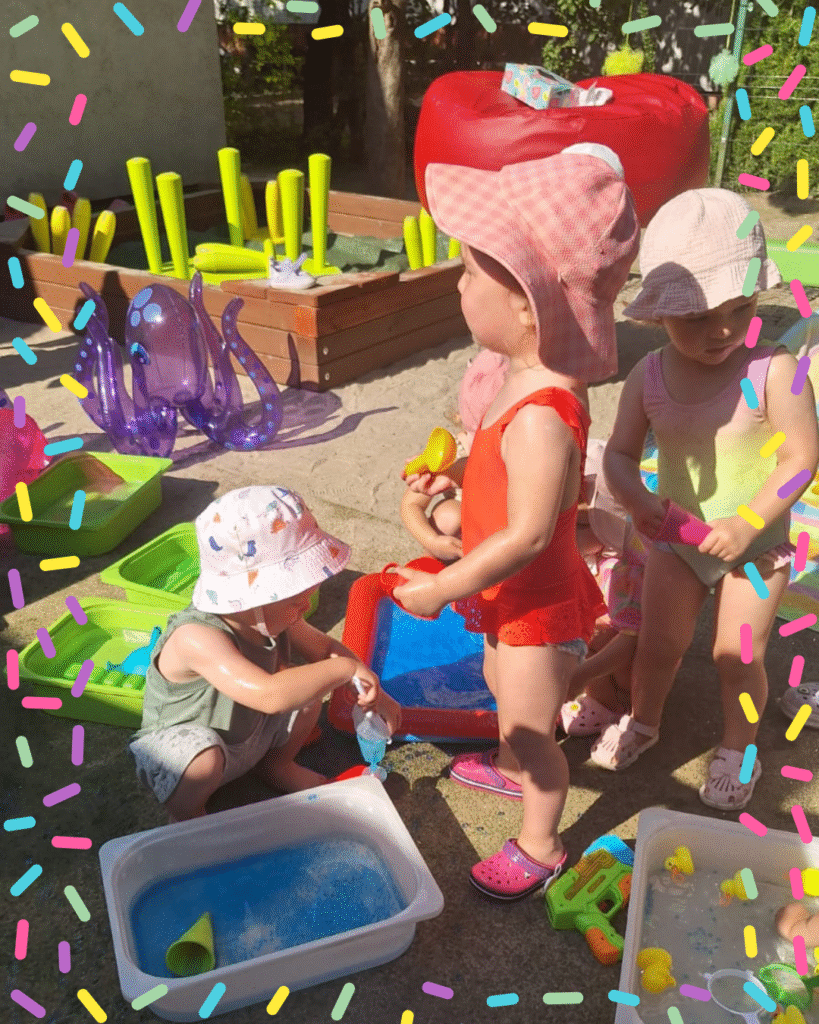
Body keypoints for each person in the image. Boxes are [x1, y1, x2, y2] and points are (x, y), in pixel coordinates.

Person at [392, 144, 640, 899]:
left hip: (534, 602)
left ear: (528, 304)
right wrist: (458, 483)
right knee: (502, 685)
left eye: (471, 272)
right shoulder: (518, 380)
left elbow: (530, 533)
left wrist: (442, 587)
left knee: (534, 731)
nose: (458, 284)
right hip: (510, 598)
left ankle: (541, 843)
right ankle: (525, 746)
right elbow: (506, 477)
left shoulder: (541, 412)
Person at [590, 188, 819, 812]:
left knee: (735, 655)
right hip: (676, 542)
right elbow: (619, 454)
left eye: (740, 308)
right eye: (696, 317)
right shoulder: (649, 375)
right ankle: (644, 720)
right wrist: (636, 498)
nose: (721, 329)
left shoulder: (774, 371)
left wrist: (747, 523)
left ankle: (739, 747)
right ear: (659, 315)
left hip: (757, 547)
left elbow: (802, 458)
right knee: (658, 644)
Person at [129, 486, 401, 823]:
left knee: (307, 688)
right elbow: (269, 695)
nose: (305, 606)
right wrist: (345, 670)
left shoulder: (274, 616)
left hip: (247, 736)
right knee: (204, 759)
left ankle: (277, 766)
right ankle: (186, 815)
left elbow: (325, 650)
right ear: (253, 596)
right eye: (296, 599)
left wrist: (372, 690)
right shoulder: (195, 638)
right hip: (184, 756)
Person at [400, 349, 508, 563]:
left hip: (505, 531)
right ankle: (433, 564)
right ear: (461, 417)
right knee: (448, 516)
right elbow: (411, 505)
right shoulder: (452, 451)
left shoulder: (527, 450)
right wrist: (432, 541)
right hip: (463, 538)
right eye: (478, 433)